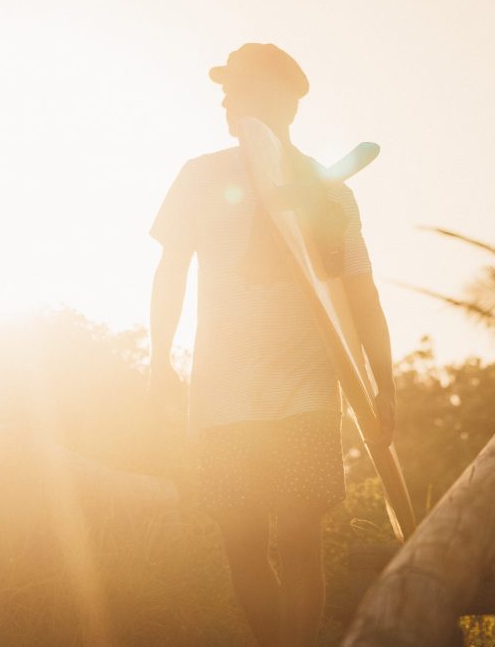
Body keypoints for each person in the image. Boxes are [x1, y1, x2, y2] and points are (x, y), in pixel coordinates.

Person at [148, 43, 395, 647]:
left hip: (308, 388)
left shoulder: (328, 187)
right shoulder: (200, 175)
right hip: (222, 389)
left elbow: (362, 296)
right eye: (225, 90)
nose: (226, 101)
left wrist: (383, 388)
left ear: (282, 101)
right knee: (241, 538)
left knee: (298, 538)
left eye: (239, 88)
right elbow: (171, 270)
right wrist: (159, 360)